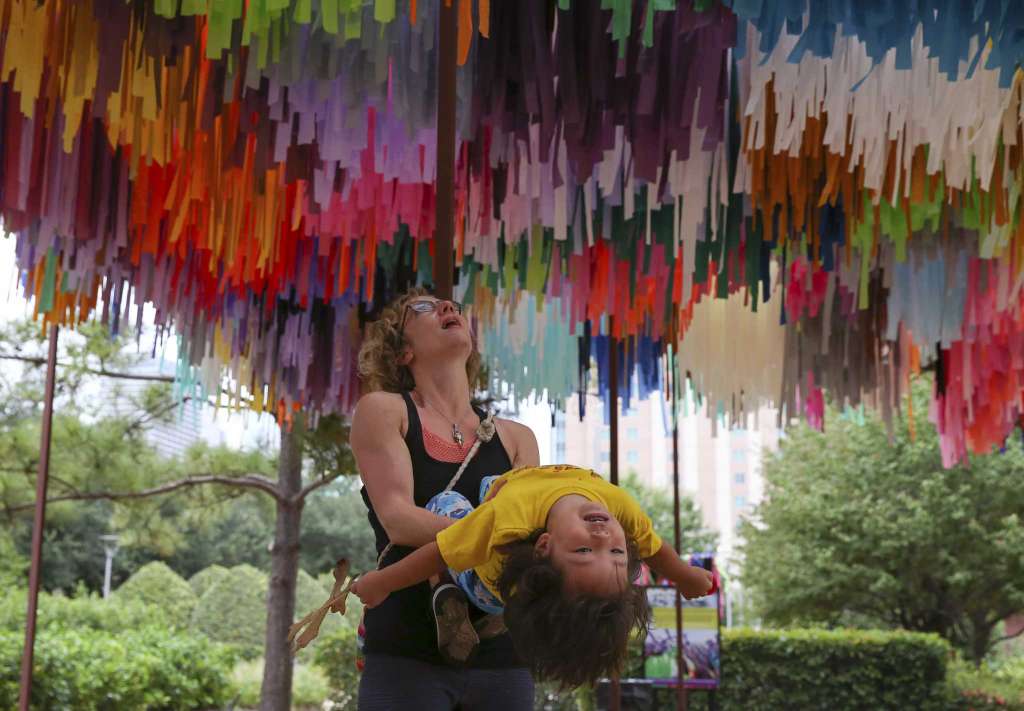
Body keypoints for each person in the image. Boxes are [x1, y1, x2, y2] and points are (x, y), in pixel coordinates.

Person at [351, 464, 717, 689]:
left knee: (448, 506)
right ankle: (501, 618)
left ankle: (447, 588)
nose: (604, 539)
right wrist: (685, 576)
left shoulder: (508, 519)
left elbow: (440, 550)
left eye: (584, 552)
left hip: (484, 579)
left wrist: (383, 582)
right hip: (518, 549)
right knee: (492, 485)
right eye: (618, 553)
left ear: (543, 545)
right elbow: (654, 549)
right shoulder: (621, 510)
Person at [351, 287, 540, 711]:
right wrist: (496, 538)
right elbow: (399, 519)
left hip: (505, 655)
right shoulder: (384, 410)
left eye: (451, 307)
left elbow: (528, 528)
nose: (448, 308)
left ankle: (470, 599)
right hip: (405, 650)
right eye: (424, 309)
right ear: (402, 353)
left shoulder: (517, 437)